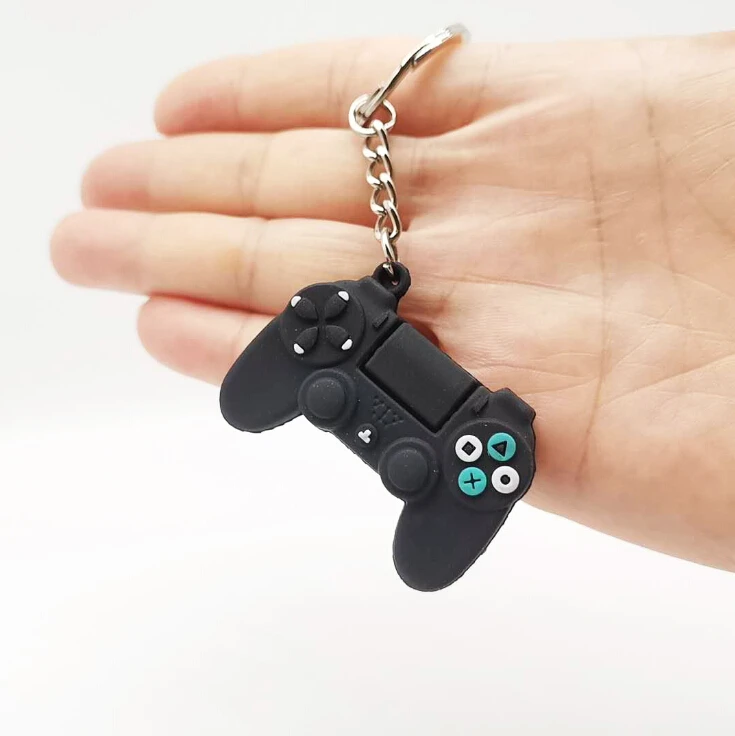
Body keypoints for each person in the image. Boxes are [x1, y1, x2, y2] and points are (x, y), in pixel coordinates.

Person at [50, 33, 735, 573]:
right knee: (370, 393)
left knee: (408, 426)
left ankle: (368, 392)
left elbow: (423, 561)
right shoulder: (351, 322)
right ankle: (365, 386)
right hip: (370, 356)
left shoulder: (368, 345)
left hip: (382, 376)